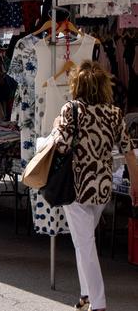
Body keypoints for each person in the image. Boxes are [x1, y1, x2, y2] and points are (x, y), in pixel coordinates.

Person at [51, 61, 138, 311]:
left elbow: (62, 146)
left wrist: (57, 125)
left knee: (85, 243)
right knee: (83, 242)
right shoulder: (114, 113)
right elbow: (128, 151)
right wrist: (135, 183)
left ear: (77, 85)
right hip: (101, 188)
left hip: (76, 187)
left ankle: (98, 302)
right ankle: (86, 295)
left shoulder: (71, 109)